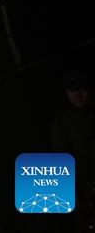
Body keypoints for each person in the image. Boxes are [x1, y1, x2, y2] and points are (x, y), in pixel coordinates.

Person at [50, 68, 95, 231]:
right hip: (84, 195)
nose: (77, 94)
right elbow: (60, 161)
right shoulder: (62, 121)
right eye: (72, 90)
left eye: (82, 89)